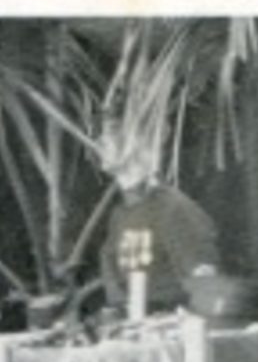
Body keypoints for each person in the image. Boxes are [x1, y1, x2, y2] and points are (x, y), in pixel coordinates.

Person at [95, 131, 221, 313]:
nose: (125, 180)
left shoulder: (174, 209)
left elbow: (203, 275)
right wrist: (120, 306)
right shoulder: (120, 215)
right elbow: (109, 265)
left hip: (172, 313)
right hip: (134, 315)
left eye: (131, 165)